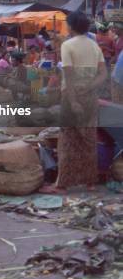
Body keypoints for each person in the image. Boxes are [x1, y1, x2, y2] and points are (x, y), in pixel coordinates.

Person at [45, 11, 107, 193]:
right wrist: (89, 88)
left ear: (71, 26)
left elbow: (69, 76)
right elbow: (103, 74)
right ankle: (90, 183)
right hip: (90, 98)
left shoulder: (67, 45)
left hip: (71, 96)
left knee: (68, 140)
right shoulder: (94, 46)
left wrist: (73, 101)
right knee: (88, 140)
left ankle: (62, 185)